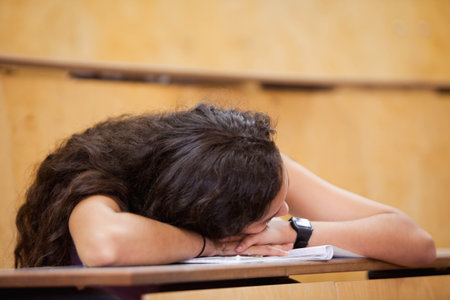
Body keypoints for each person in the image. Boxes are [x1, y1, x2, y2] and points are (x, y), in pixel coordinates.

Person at [15, 103, 436, 270]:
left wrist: (291, 231)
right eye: (269, 214)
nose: (287, 203)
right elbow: (105, 245)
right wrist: (214, 246)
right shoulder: (98, 172)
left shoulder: (250, 160)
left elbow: (415, 243)